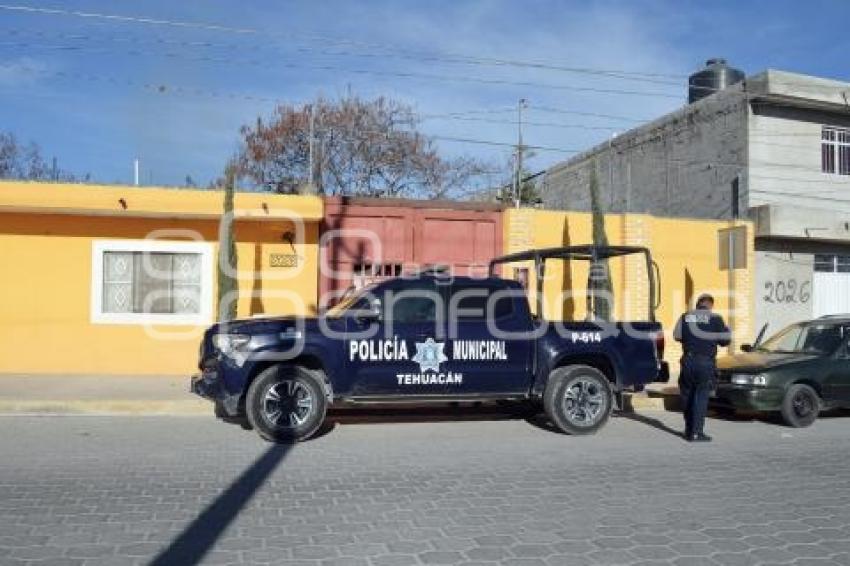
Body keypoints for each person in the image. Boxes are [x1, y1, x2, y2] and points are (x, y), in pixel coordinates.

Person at [673, 294, 731, 442]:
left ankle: (688, 429)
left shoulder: (685, 316)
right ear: (710, 305)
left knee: (687, 395)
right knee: (701, 396)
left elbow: (677, 336)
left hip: (688, 361)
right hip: (705, 363)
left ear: (698, 304)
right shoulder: (715, 318)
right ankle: (696, 433)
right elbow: (725, 341)